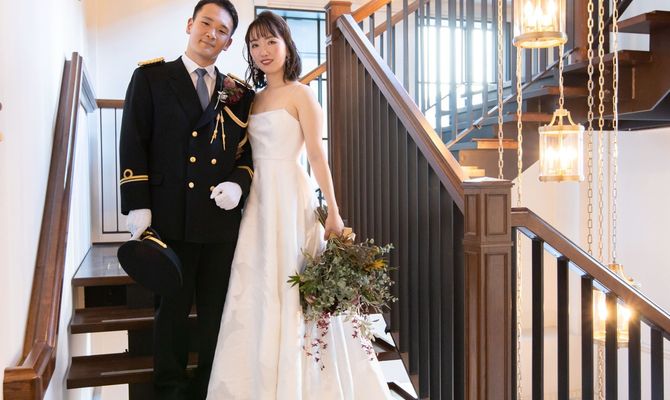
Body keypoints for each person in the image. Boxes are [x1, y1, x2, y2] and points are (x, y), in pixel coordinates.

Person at [206, 11, 392, 399]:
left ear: (287, 45)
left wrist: (334, 211)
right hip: (258, 199)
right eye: (254, 44)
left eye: (270, 41)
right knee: (257, 281)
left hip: (291, 194)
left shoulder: (302, 94)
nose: (262, 50)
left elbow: (317, 156)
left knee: (293, 280)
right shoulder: (252, 99)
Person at [118, 1, 254, 398]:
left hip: (218, 221)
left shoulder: (239, 93)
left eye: (222, 30)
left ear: (229, 43)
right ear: (190, 24)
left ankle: (210, 385)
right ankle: (170, 388)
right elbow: (133, 141)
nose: (212, 33)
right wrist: (137, 202)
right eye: (206, 23)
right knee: (171, 311)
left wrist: (238, 184)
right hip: (169, 215)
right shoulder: (151, 78)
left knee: (215, 312)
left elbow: (247, 154)